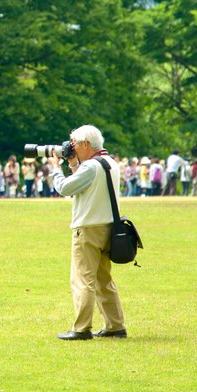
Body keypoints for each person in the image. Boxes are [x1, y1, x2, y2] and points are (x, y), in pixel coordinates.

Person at [50, 125, 127, 341]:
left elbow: (65, 188)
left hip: (88, 229)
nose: (70, 147)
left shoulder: (91, 166)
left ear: (86, 144)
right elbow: (85, 186)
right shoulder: (109, 163)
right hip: (108, 228)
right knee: (104, 279)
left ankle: (82, 328)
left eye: (73, 143)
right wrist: (74, 164)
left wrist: (55, 169)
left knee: (83, 279)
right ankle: (115, 325)